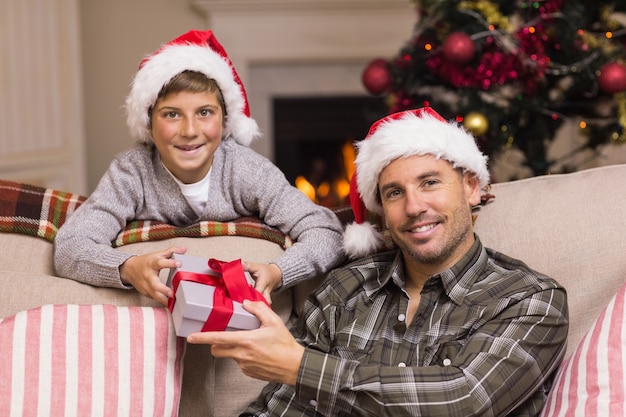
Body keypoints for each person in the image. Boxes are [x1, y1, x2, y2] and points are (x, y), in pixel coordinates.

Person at [187, 107, 569, 416]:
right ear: (381, 211)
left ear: (471, 187)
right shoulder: (346, 288)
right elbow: (283, 407)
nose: (414, 207)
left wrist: (301, 367)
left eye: (430, 182)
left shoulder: (530, 299)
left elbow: (465, 401)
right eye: (394, 193)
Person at [53, 30, 345, 306]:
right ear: (149, 124)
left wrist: (278, 271)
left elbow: (325, 231)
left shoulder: (246, 170)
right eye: (171, 115)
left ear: (224, 119)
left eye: (204, 112)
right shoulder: (131, 172)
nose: (190, 130)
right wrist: (126, 267)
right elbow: (70, 246)